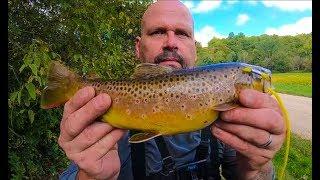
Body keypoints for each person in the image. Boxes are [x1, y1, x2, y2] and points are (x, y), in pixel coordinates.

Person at [59, 0, 285, 179]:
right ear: (138, 47)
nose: (170, 42)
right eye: (158, 32)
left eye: (182, 33)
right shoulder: (101, 118)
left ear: (195, 49)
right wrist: (90, 177)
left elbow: (249, 175)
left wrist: (257, 169)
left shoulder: (231, 119)